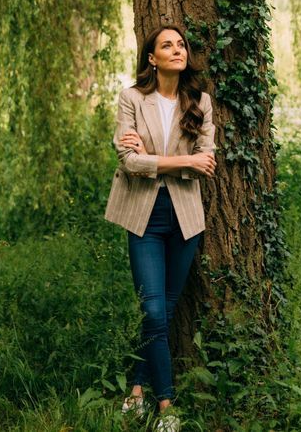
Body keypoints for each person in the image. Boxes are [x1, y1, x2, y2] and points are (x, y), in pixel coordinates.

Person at [104, 23, 216, 431]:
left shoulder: (199, 102)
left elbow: (207, 161)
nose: (177, 49)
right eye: (166, 45)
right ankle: (167, 406)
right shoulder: (132, 98)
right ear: (152, 58)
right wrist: (181, 162)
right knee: (152, 308)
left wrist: (156, 157)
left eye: (181, 44)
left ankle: (136, 388)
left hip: (185, 218)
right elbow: (129, 162)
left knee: (163, 312)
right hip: (144, 216)